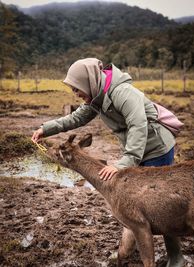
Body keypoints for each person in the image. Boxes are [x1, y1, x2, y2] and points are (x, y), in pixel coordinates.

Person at [31, 58, 184, 266]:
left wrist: (123, 163)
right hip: (137, 149)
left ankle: (176, 258)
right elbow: (75, 119)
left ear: (88, 81)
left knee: (162, 206)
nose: (75, 94)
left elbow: (138, 125)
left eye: (77, 89)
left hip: (156, 148)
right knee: (131, 206)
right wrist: (45, 129)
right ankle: (125, 254)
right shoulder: (97, 97)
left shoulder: (122, 93)